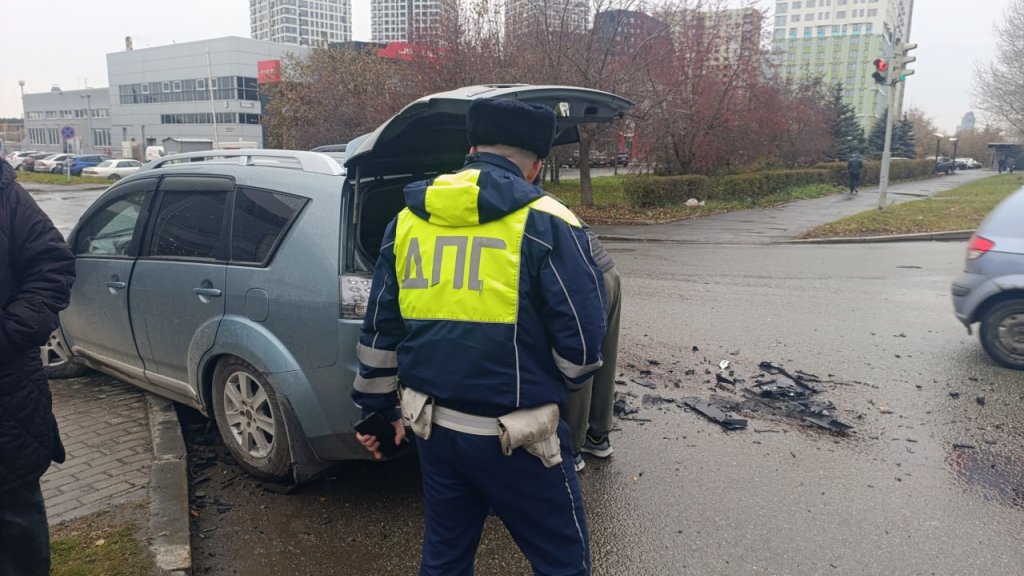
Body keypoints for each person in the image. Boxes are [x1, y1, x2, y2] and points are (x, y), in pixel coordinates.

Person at [353, 97, 606, 576]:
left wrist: (377, 413)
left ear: (471, 148)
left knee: (446, 559)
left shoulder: (407, 221)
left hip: (435, 431)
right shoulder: (550, 220)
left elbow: (380, 332)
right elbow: (582, 349)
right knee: (562, 561)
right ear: (534, 167)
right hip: (519, 437)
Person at [0, 157, 76, 576]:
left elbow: (53, 265)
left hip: (6, 402)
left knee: (16, 540)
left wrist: (10, 333)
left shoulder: (6, 195)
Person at [564, 232, 621, 472]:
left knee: (576, 361)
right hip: (609, 273)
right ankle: (598, 436)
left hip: (582, 279)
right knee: (603, 358)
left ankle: (571, 450)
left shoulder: (524, 208)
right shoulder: (546, 202)